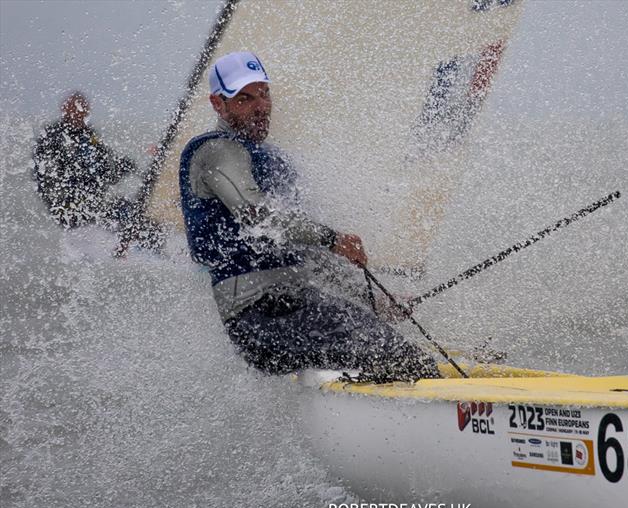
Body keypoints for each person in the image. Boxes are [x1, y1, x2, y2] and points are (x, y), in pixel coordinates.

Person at [180, 51, 440, 381]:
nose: (260, 106)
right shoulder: (214, 151)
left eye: (264, 93)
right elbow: (257, 216)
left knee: (398, 349)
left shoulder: (277, 162)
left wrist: (372, 298)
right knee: (392, 353)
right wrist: (333, 239)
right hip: (257, 322)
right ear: (218, 104)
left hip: (302, 306)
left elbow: (304, 253)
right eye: (244, 98)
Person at [33, 91, 163, 249]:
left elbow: (106, 170)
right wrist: (59, 203)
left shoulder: (89, 134)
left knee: (144, 216)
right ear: (65, 110)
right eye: (74, 109)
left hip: (94, 204)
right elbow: (44, 177)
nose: (79, 114)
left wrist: (124, 166)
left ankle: (146, 253)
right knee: (129, 214)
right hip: (71, 208)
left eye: (82, 110)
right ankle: (122, 250)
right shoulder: (53, 136)